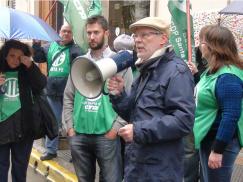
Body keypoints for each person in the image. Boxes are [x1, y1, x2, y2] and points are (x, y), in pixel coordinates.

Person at [107, 17, 195, 181]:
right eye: (135, 36)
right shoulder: (146, 69)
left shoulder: (177, 71)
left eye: (144, 35)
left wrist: (138, 131)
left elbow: (183, 121)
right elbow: (134, 114)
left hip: (160, 170)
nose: (138, 40)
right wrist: (119, 95)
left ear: (163, 39)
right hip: (137, 165)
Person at [62, 15, 133, 182]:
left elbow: (130, 100)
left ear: (106, 33)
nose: (92, 37)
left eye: (96, 32)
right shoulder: (80, 63)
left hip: (106, 135)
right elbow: (68, 96)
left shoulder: (119, 63)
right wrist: (70, 128)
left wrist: (115, 129)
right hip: (79, 134)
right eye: (89, 33)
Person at [193, 25, 243, 182]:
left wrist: (217, 150)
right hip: (208, 138)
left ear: (211, 47)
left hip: (220, 142)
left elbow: (230, 115)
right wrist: (195, 75)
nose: (198, 46)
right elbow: (208, 95)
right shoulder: (213, 70)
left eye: (201, 42)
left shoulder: (228, 77)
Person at [33, 23, 83, 161]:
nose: (66, 34)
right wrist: (36, 44)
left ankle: (75, 153)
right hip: (52, 91)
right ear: (59, 32)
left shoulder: (76, 49)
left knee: (71, 123)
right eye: (64, 31)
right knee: (52, 122)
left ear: (72, 34)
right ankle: (51, 150)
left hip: (70, 92)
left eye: (69, 32)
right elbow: (37, 58)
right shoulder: (49, 47)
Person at [0, 40, 46, 182]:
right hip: (2, 128)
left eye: (19, 57)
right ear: (4, 55)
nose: (15, 60)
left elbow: (41, 84)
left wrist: (31, 66)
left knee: (20, 170)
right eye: (12, 55)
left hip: (24, 129)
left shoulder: (27, 71)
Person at [183, 47, 207, 182]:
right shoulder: (198, 57)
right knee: (190, 153)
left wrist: (196, 74)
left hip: (205, 120)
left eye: (204, 41)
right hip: (193, 115)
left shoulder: (222, 71)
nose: (201, 46)